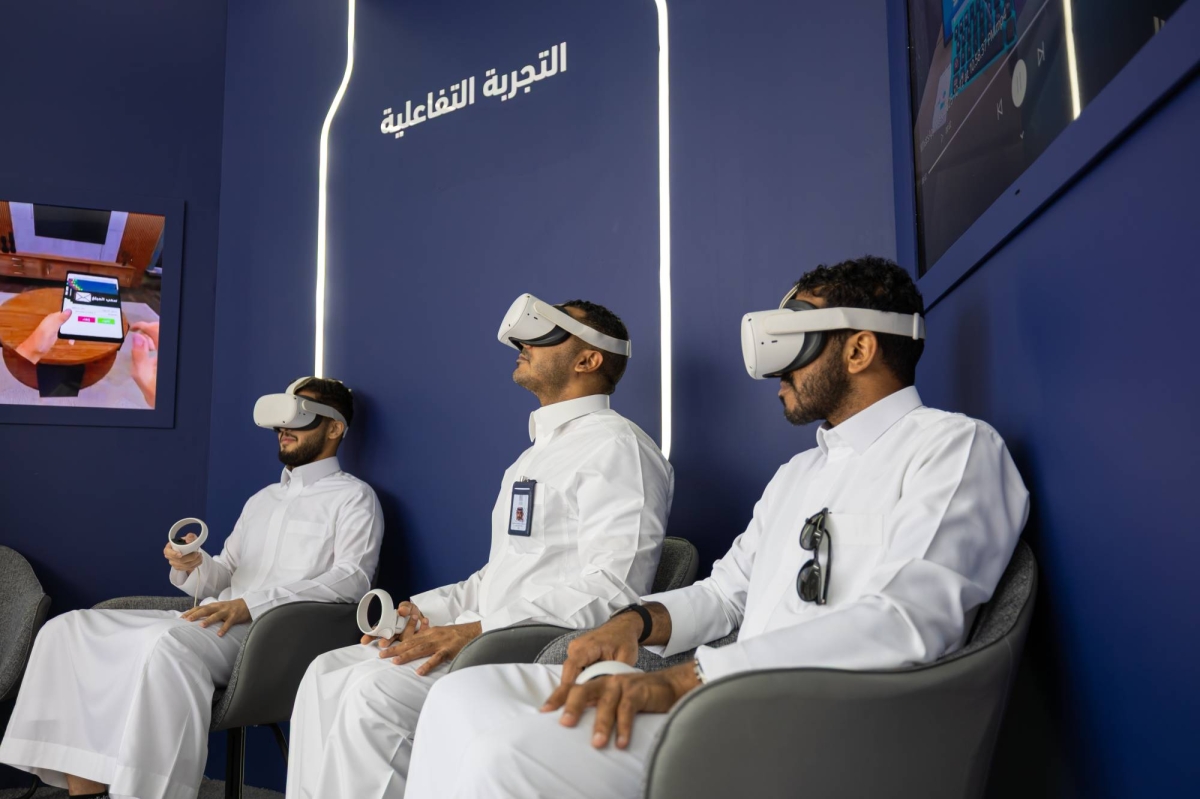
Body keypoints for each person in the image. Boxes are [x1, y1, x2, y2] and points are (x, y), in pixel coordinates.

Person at [404, 257, 1031, 799]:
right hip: (727, 697)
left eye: (797, 343)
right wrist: (635, 622)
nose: (776, 370)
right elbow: (726, 593)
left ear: (859, 350)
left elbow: (909, 621)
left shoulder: (952, 448)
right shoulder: (798, 474)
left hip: (812, 723)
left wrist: (693, 678)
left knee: (508, 756)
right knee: (463, 699)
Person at [285, 298, 673, 799]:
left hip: (535, 652)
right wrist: (425, 612)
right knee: (325, 672)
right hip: (488, 635)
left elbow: (615, 590)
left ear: (588, 359)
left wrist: (476, 631)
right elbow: (498, 576)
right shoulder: (531, 459)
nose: (521, 342)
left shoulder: (620, 448)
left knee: (373, 692)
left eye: (544, 333)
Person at [0, 378, 383, 799]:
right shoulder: (263, 500)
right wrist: (193, 564)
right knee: (68, 629)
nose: (284, 429)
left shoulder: (354, 498)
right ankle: (86, 789)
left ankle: (145, 792)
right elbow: (226, 572)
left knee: (166, 643)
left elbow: (353, 579)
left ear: (334, 428)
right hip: (213, 621)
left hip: (267, 637)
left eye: (300, 416)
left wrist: (252, 604)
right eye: (281, 420)